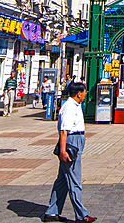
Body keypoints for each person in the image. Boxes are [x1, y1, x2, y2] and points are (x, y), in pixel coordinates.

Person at [43, 82, 95, 223]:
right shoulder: (69, 107)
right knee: (74, 179)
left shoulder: (75, 105)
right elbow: (64, 131)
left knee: (62, 181)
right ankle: (81, 214)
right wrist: (63, 150)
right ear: (78, 93)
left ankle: (52, 212)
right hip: (71, 143)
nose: (85, 94)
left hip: (76, 140)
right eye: (84, 92)